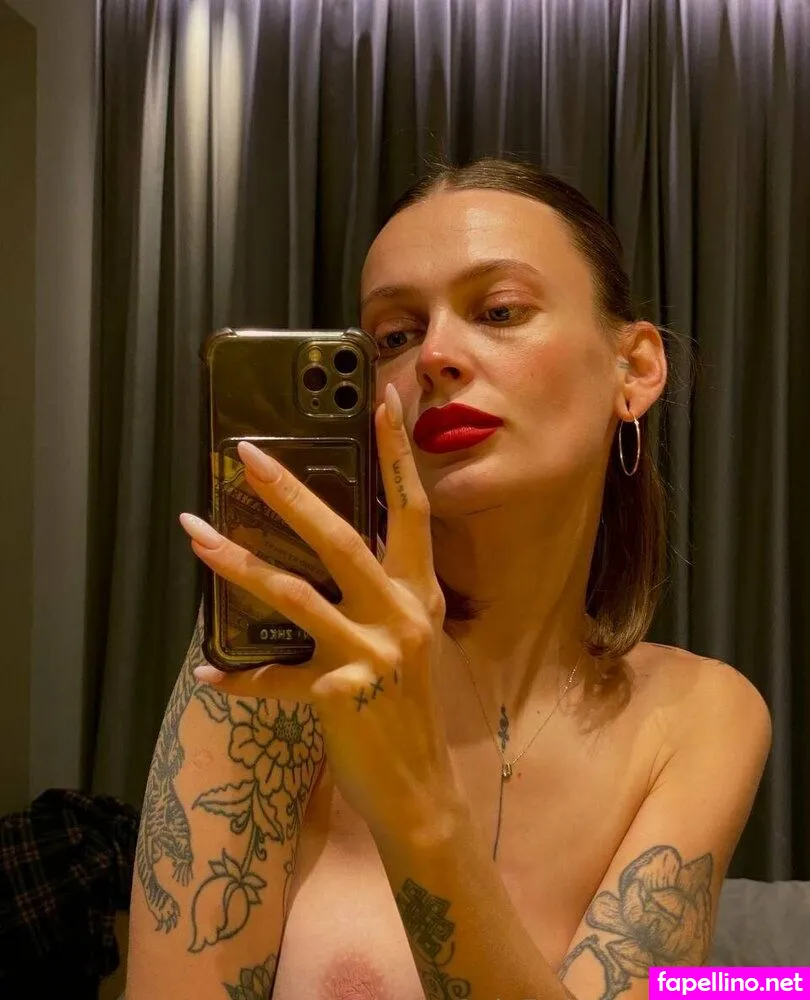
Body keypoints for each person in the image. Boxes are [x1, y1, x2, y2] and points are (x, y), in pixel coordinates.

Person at [126, 157, 771, 1000]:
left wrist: (414, 806)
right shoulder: (289, 646)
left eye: (499, 311)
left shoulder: (700, 716)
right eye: (393, 337)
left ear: (636, 368)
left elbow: (742, 985)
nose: (434, 356)